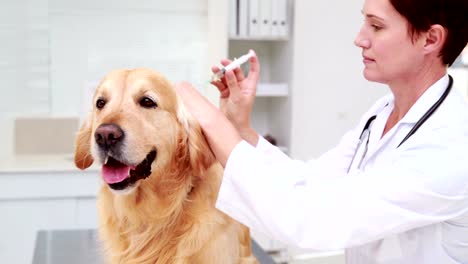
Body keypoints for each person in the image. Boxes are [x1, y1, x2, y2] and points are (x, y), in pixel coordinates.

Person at [175, 0, 468, 263]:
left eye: (376, 26)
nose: (359, 38)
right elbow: (311, 181)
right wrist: (240, 128)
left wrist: (210, 121)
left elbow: (310, 217)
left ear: (431, 39)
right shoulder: (383, 111)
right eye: (364, 21)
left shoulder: (451, 146)